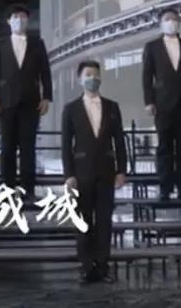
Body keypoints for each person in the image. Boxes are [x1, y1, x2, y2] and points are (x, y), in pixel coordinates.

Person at [61, 60, 126, 284]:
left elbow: (120, 141)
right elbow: (65, 145)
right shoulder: (70, 109)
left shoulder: (112, 107)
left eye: (96, 74)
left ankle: (103, 266)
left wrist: (121, 170)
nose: (93, 78)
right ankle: (86, 267)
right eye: (88, 74)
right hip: (81, 174)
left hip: (107, 172)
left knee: (105, 222)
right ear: (80, 79)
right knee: (83, 221)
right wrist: (69, 174)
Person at [0, 4, 52, 197]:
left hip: (31, 102)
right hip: (5, 103)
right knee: (7, 148)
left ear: (28, 20)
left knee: (28, 148)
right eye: (15, 16)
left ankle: (27, 190)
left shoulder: (37, 43)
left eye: (23, 16)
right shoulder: (0, 43)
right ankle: (7, 190)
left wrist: (47, 97)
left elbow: (45, 72)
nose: (19, 20)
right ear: (8, 21)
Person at [142, 7, 181, 201]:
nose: (171, 22)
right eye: (167, 19)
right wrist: (149, 101)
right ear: (160, 24)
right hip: (162, 103)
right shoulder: (152, 47)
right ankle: (165, 189)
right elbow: (147, 76)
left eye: (174, 19)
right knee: (164, 147)